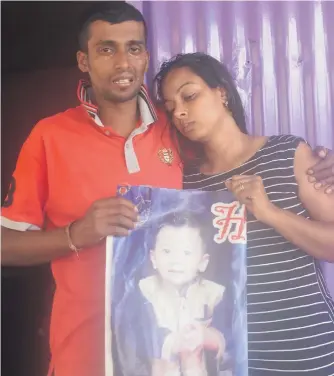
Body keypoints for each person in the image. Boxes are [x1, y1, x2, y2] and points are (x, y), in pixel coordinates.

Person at [1, 2, 334, 375]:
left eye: (134, 48)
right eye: (106, 49)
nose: (123, 63)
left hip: (201, 358)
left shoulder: (176, 134)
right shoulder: (49, 136)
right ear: (84, 60)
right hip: (83, 357)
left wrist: (321, 163)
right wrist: (76, 234)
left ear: (145, 56)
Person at [155, 52, 334, 375]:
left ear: (221, 92)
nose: (180, 112)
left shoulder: (286, 153)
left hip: (307, 350)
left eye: (190, 96)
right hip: (233, 359)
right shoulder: (187, 184)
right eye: (170, 108)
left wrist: (269, 212)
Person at [138, 213, 226, 376]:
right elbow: (137, 333)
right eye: (167, 251)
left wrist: (208, 337)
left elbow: (230, 336)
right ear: (153, 258)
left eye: (186, 252)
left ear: (203, 262)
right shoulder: (145, 291)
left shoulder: (213, 293)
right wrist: (172, 342)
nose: (176, 260)